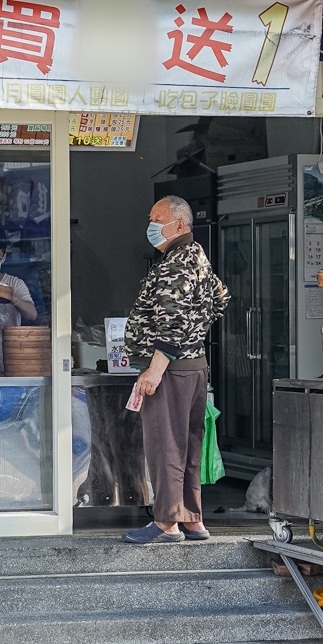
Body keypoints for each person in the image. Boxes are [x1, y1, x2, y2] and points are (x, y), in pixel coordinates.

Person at [121, 196, 229, 544]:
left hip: (170, 370)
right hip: (194, 366)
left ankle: (167, 521)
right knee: (188, 447)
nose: (150, 226)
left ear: (179, 224)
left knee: (165, 445)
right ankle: (192, 518)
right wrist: (197, 330)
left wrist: (154, 370)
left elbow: (172, 322)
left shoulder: (175, 264)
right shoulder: (197, 256)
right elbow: (221, 297)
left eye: (157, 219)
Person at [0, 238, 38, 325]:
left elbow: (32, 315)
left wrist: (11, 297)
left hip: (9, 338)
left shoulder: (15, 283)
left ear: (3, 258)